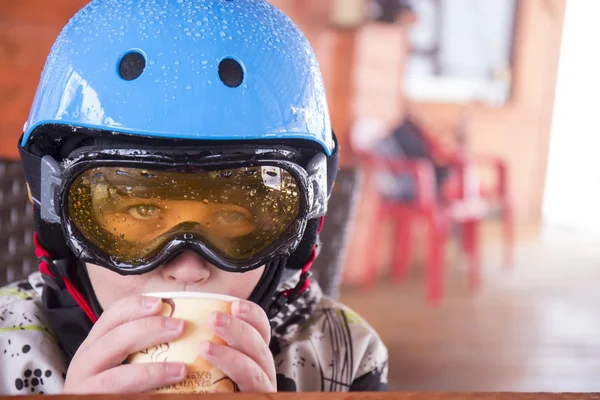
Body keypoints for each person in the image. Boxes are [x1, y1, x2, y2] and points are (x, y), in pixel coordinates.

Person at [0, 0, 388, 394]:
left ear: (298, 231)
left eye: (232, 217)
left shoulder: (344, 356)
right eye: (142, 209)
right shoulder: (6, 348)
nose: (187, 271)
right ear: (58, 220)